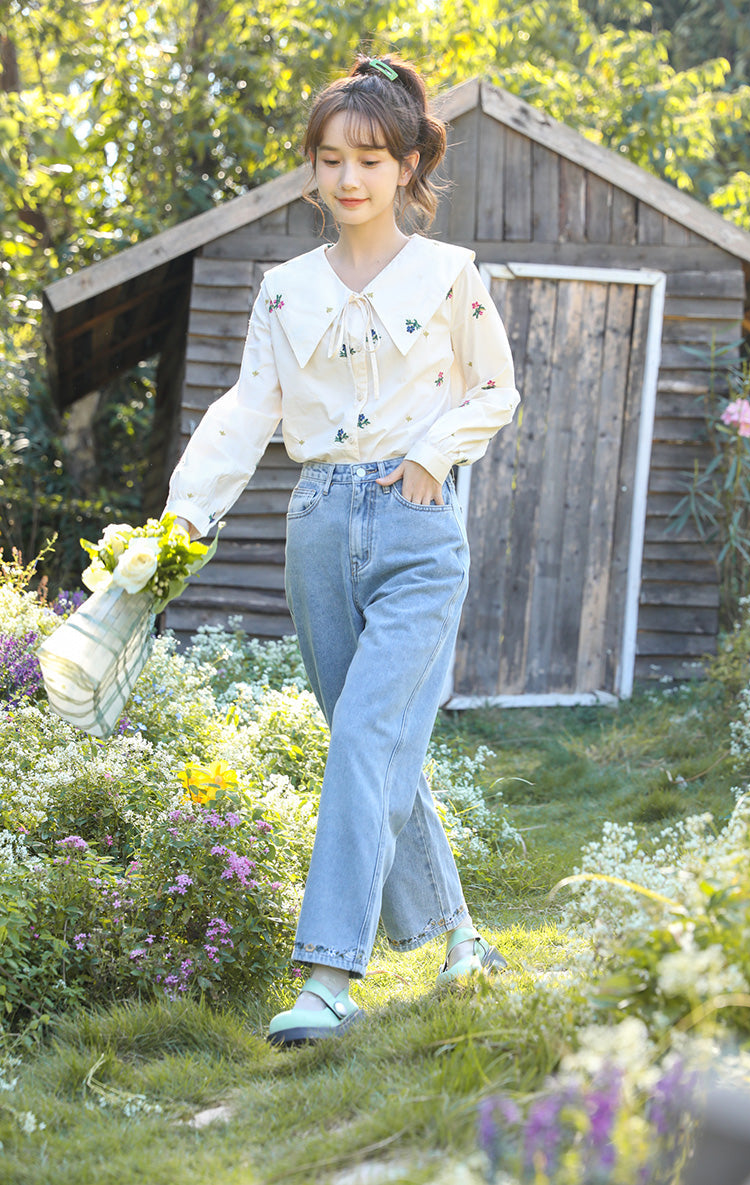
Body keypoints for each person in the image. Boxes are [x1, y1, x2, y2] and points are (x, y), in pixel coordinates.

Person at [165, 53, 520, 1047]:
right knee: (375, 749)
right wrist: (187, 514)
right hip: (315, 524)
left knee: (368, 738)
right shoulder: (283, 291)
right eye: (330, 159)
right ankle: (459, 939)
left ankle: (324, 978)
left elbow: (494, 392)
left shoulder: (450, 277)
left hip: (416, 529)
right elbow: (247, 410)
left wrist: (430, 452)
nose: (349, 178)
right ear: (314, 171)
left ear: (408, 163)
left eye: (369, 157)